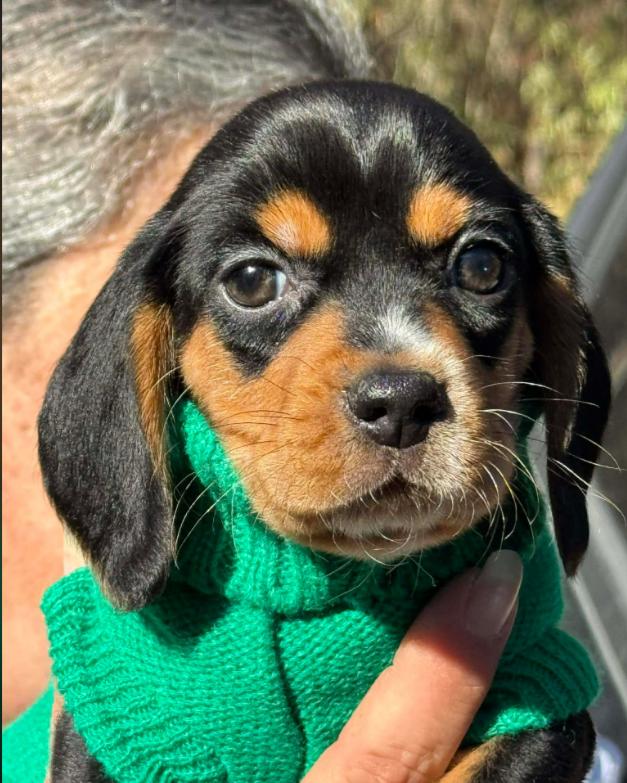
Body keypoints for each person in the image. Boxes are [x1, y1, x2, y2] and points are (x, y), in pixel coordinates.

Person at [2, 1, 521, 778]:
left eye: (475, 268)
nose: (394, 379)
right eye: (252, 280)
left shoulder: (515, 595)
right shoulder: (120, 682)